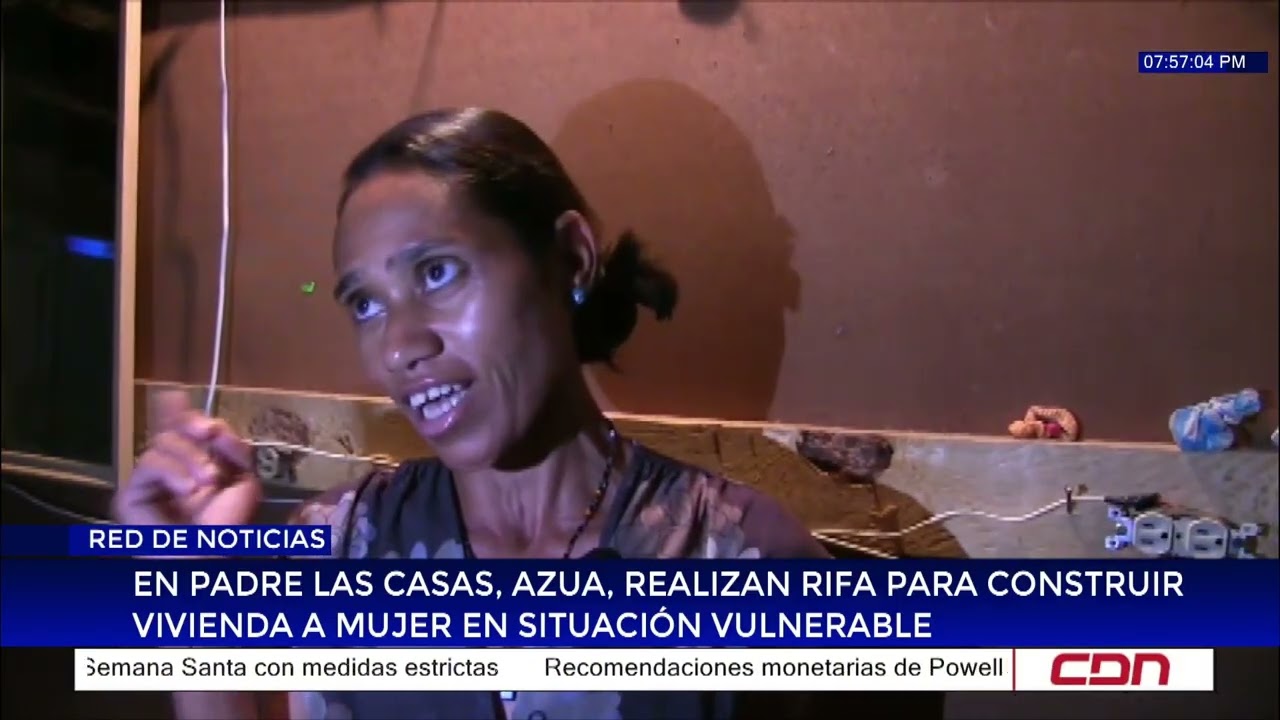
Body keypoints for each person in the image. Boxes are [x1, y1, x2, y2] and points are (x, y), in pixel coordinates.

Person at [115, 108, 835, 720]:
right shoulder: (335, 548)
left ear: (572, 258)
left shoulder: (742, 557)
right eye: (365, 304)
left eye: (437, 272)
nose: (399, 346)